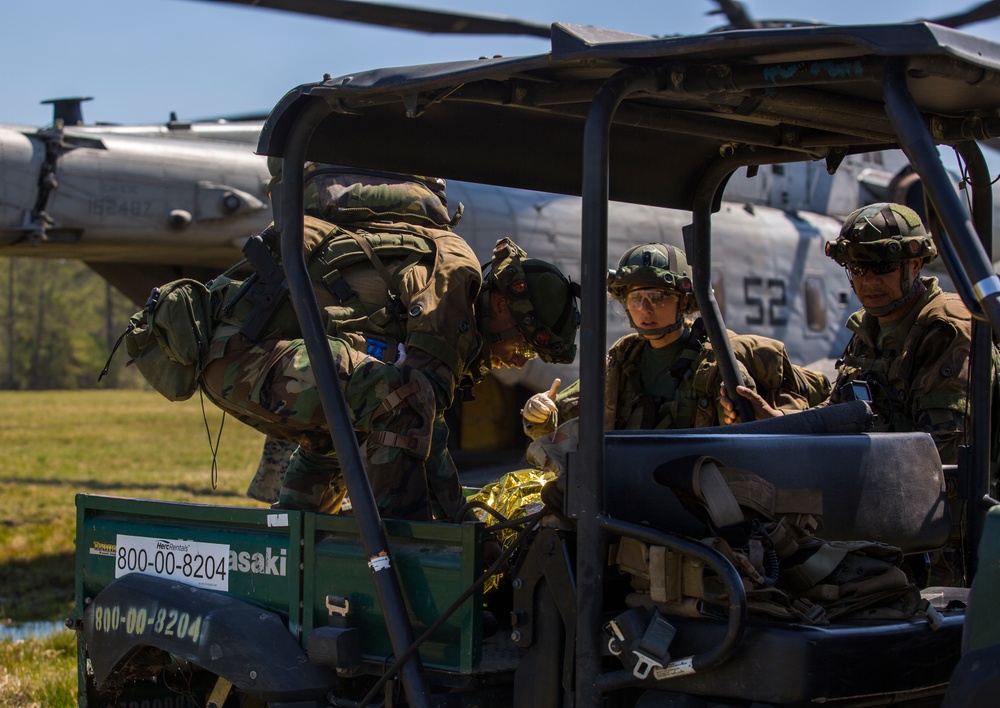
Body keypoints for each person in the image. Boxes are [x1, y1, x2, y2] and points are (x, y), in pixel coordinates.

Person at [202, 165, 580, 522]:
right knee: (398, 403)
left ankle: (295, 539)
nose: (519, 362)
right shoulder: (456, 279)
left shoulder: (448, 280)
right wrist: (456, 530)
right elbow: (419, 416)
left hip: (243, 357)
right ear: (501, 306)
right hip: (243, 354)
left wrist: (460, 517)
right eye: (525, 347)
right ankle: (408, 553)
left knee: (355, 423)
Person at [727, 202, 972, 464]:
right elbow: (838, 411)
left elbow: (939, 450)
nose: (868, 281)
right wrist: (776, 421)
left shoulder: (944, 327)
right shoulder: (869, 328)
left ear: (915, 264)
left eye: (882, 267)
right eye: (857, 268)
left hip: (934, 496)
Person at [522, 242, 829, 439]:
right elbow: (558, 413)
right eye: (635, 298)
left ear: (684, 303)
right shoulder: (621, 362)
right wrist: (540, 412)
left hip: (698, 496)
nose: (645, 309)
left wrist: (734, 420)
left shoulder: (716, 362)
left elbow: (750, 435)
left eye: (658, 297)